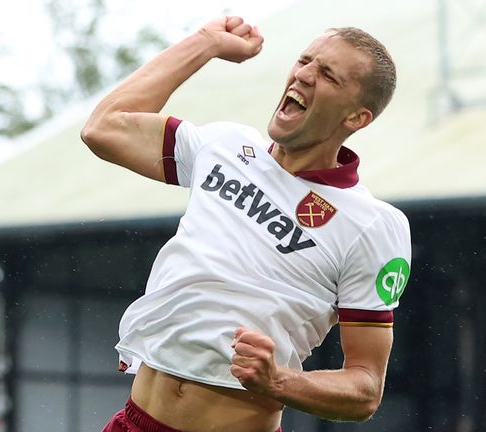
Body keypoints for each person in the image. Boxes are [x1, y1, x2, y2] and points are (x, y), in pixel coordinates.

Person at [81, 15, 412, 432]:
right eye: (305, 60)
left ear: (356, 118)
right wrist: (205, 43)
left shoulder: (373, 225)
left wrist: (278, 381)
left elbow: (365, 389)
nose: (304, 74)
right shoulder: (225, 145)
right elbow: (103, 128)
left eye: (327, 74)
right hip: (135, 422)